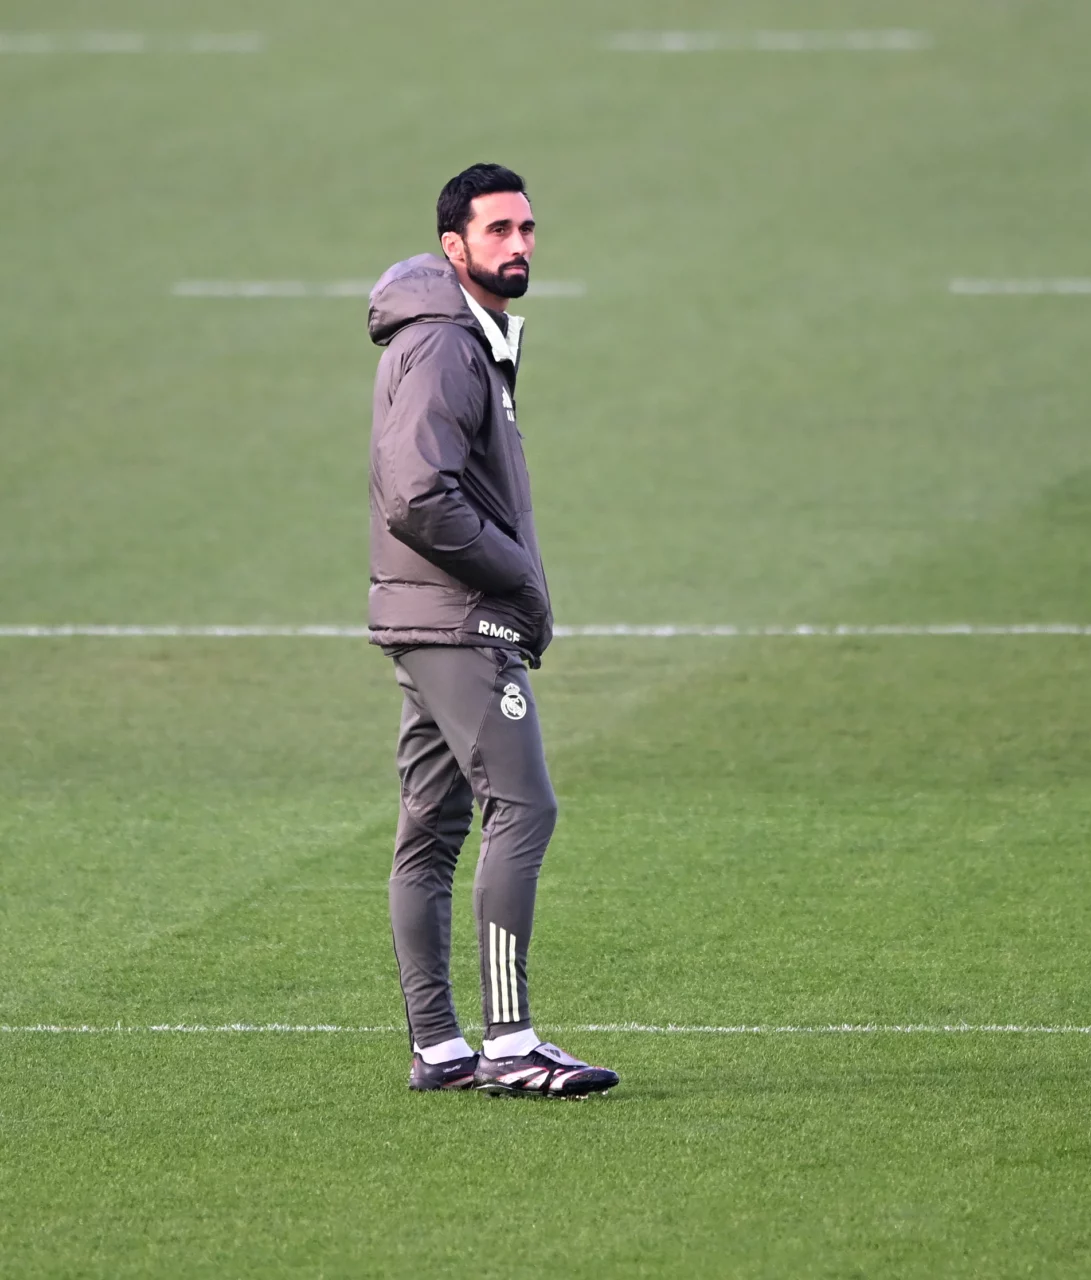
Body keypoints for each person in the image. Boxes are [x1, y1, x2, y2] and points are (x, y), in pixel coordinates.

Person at [367, 163, 617, 1097]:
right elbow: (415, 494)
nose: (519, 246)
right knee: (524, 809)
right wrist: (514, 575)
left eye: (527, 229)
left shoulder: (470, 340)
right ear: (453, 247)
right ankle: (510, 1045)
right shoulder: (444, 347)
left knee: (431, 828)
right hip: (457, 621)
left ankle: (438, 1048)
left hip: (428, 616)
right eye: (499, 230)